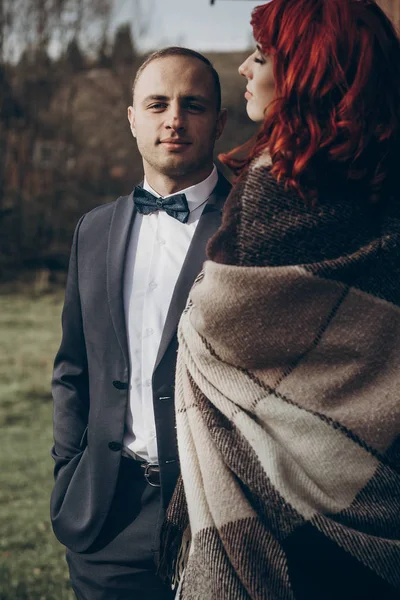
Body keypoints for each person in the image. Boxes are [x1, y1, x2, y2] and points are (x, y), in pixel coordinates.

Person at [160, 1, 400, 598]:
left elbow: (213, 332)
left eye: (262, 57)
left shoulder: (273, 189)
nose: (244, 67)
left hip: (276, 520)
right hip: (381, 488)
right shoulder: (388, 185)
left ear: (306, 73)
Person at [50, 46, 229, 600]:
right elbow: (72, 366)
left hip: (220, 514)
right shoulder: (94, 230)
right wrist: (67, 471)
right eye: (157, 104)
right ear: (132, 119)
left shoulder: (252, 223)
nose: (174, 119)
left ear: (219, 122)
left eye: (193, 105)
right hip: (109, 514)